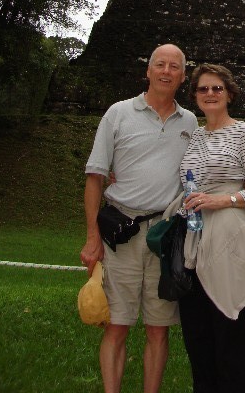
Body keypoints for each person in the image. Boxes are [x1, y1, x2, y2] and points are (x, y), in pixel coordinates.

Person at [80, 43, 198, 393]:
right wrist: (91, 237)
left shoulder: (190, 122)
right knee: (116, 325)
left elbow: (199, 174)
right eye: (159, 64)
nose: (166, 71)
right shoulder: (118, 113)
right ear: (147, 71)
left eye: (174, 66)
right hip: (121, 233)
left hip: (165, 235)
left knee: (158, 329)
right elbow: (95, 176)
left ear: (182, 76)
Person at [178, 63, 245, 393]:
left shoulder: (244, 132)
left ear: (229, 93)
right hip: (193, 238)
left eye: (217, 88)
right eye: (203, 89)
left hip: (230, 237)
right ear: (194, 97)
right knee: (198, 338)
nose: (210, 94)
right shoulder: (192, 138)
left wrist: (223, 200)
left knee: (229, 336)